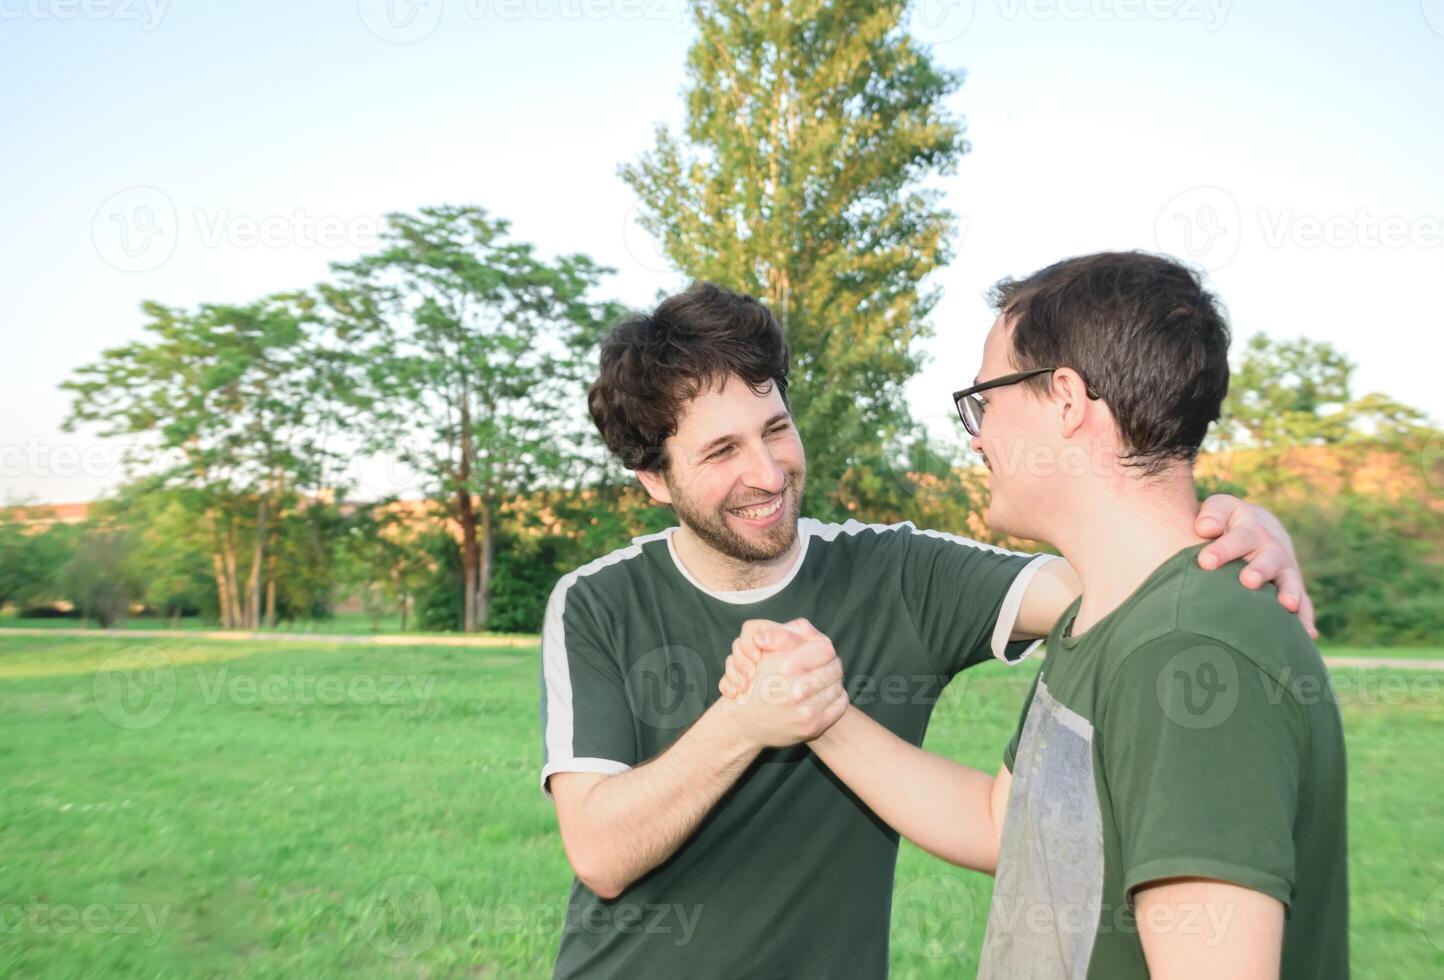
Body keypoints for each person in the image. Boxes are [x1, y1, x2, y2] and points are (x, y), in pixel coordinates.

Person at [541, 280, 1314, 979]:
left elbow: (1115, 579)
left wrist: (1225, 529)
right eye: (721, 450)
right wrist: (744, 722)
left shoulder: (898, 573)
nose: (769, 473)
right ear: (652, 479)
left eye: (775, 429)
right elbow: (601, 853)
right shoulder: (597, 603)